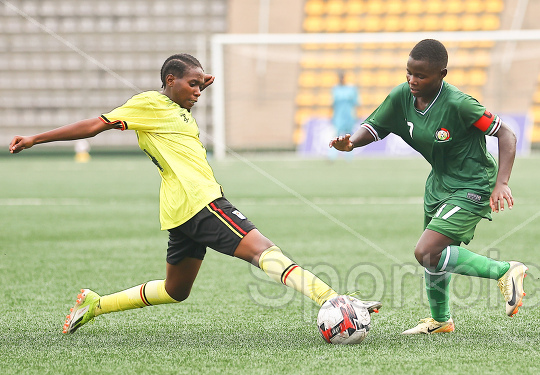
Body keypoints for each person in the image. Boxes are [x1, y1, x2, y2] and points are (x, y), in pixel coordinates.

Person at [9, 53, 381, 334]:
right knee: (263, 250)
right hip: (201, 201)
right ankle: (332, 299)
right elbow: (95, 125)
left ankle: (95, 304)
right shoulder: (149, 103)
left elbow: (189, 85)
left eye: (202, 86)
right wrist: (35, 138)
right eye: (192, 85)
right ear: (169, 81)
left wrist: (198, 79)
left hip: (178, 209)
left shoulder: (176, 102)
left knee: (176, 290)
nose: (199, 92)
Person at [329, 39, 527, 334]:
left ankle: (506, 270)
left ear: (441, 75)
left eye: (420, 75)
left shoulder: (459, 104)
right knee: (434, 257)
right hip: (438, 184)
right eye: (409, 72)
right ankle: (440, 320)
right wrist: (352, 143)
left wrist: (502, 183)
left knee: (427, 251)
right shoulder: (401, 97)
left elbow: (507, 134)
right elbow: (375, 126)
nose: (412, 80)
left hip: (473, 183)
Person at [329, 71, 359, 161]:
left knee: (349, 136)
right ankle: (332, 156)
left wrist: (357, 114)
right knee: (336, 136)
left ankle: (349, 156)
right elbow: (332, 104)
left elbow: (356, 103)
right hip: (338, 116)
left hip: (349, 116)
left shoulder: (351, 89)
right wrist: (330, 115)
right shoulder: (335, 89)